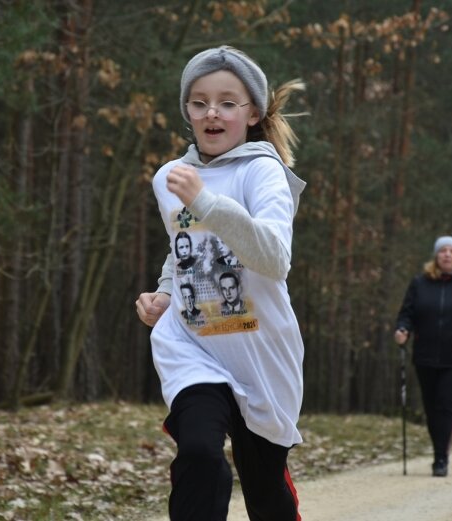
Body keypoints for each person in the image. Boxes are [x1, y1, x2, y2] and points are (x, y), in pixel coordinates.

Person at [134, 45, 306, 520]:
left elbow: (274, 258)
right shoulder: (170, 176)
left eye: (228, 102)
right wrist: (165, 293)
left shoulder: (264, 171)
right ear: (187, 111)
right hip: (194, 346)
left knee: (265, 488)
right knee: (200, 453)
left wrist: (206, 201)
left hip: (259, 351)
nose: (213, 113)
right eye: (200, 102)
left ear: (251, 113)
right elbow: (183, 248)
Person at [394, 236, 452, 477]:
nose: (447, 254)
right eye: (443, 251)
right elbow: (406, 314)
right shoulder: (419, 284)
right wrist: (402, 329)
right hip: (425, 355)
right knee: (430, 407)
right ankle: (438, 450)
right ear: (436, 256)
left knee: (445, 405)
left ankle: (441, 458)